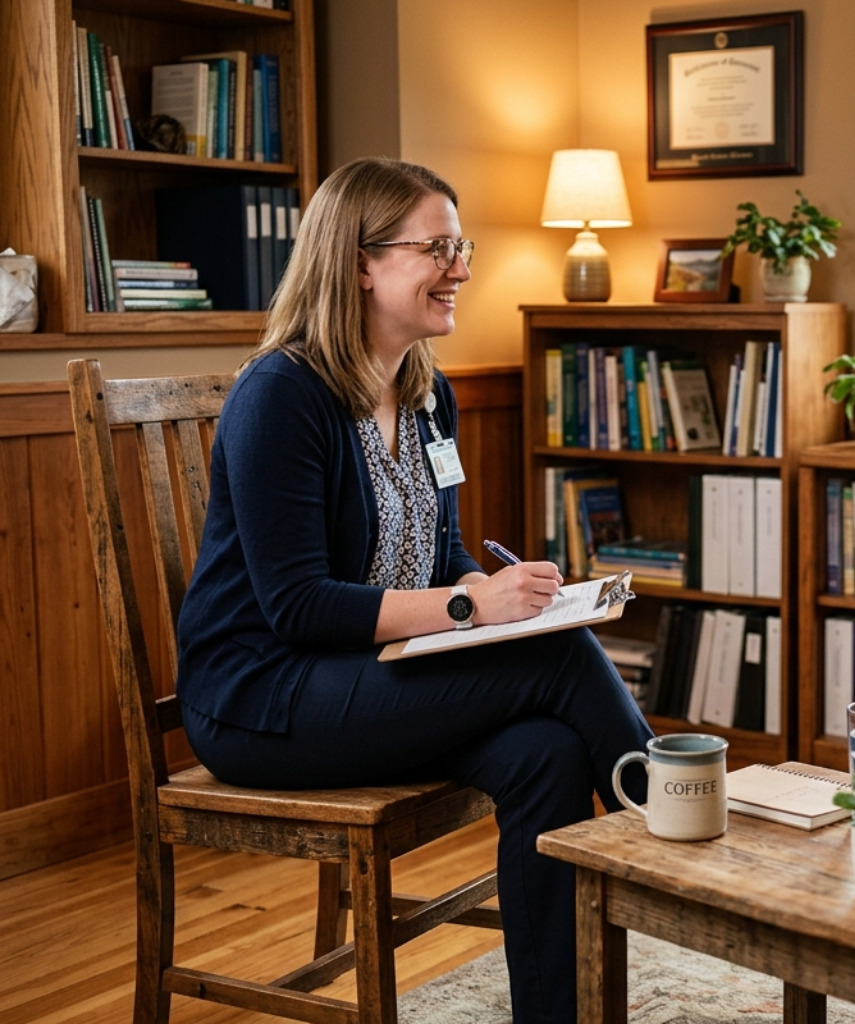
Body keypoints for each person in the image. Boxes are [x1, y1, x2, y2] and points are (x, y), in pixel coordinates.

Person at [176, 157, 653, 1024]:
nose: (460, 268)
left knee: (546, 752)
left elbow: (443, 555)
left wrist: (489, 586)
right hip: (261, 698)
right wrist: (473, 609)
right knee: (558, 661)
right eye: (438, 248)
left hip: (367, 675)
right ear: (360, 262)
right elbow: (298, 607)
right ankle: (678, 829)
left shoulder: (428, 394)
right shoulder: (281, 395)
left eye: (461, 247)